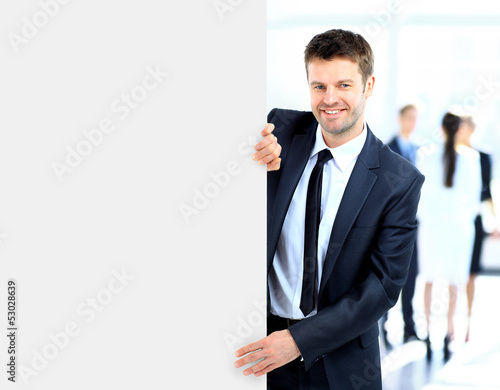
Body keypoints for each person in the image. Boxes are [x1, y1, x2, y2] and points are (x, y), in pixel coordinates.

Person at [234, 28, 424, 390]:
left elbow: (383, 287)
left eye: (344, 85)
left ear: (368, 86)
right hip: (259, 348)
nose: (329, 99)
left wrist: (298, 341)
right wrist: (247, 158)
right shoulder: (280, 133)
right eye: (318, 86)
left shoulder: (399, 180)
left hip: (342, 362)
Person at [416, 113, 482, 361]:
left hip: (432, 226)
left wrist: (428, 217)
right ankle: (449, 332)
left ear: (441, 127)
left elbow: (418, 195)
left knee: (430, 280)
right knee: (455, 282)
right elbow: (474, 200)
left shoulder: (426, 154)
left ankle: (428, 332)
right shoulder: (471, 158)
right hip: (458, 227)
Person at [380, 104, 421, 348]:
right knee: (387, 276)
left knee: (411, 276)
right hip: (390, 226)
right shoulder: (388, 149)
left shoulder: (417, 149)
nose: (413, 123)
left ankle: (409, 327)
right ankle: (383, 327)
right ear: (400, 119)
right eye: (409, 118)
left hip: (412, 224)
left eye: (416, 118)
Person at [456, 115, 498, 342]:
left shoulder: (483, 157)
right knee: (453, 273)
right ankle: (451, 325)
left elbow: (487, 191)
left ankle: (469, 323)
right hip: (453, 219)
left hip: (475, 218)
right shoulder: (449, 155)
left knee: (471, 273)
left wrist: (494, 219)